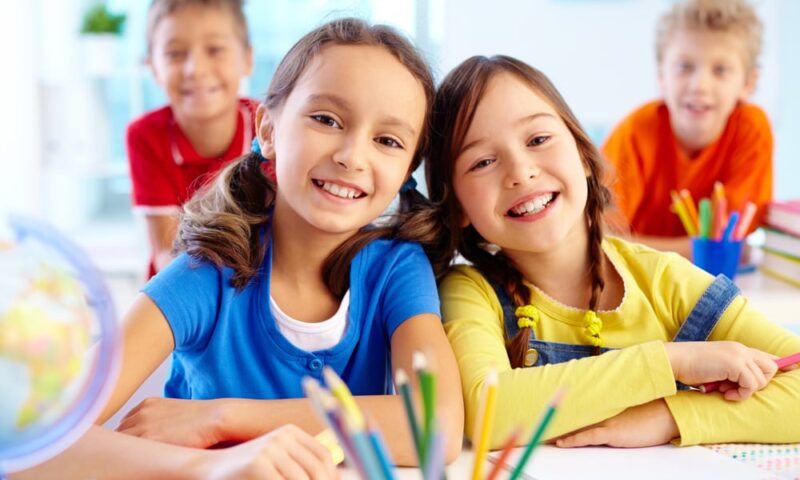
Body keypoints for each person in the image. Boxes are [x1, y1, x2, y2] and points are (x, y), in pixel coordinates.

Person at [104, 17, 462, 466]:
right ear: (268, 130)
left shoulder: (396, 269)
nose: (352, 156)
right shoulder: (206, 273)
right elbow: (46, 424)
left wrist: (222, 417)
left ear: (408, 171)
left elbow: (434, 428)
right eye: (326, 119)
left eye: (387, 140)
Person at [425, 55, 800, 450]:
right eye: (482, 161)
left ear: (586, 158)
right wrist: (671, 361)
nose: (520, 171)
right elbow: (491, 412)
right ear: (459, 207)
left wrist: (669, 417)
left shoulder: (665, 281)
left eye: (537, 140)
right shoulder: (468, 291)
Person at [601, 0, 772, 258]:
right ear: (661, 75)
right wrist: (700, 250)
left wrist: (642, 248)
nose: (699, 85)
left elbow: (732, 242)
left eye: (720, 70)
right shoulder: (634, 132)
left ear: (748, 82)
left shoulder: (752, 129)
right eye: (684, 67)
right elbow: (601, 237)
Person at [127, 0, 262, 278]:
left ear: (247, 59)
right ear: (152, 67)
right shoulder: (145, 136)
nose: (195, 69)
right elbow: (167, 253)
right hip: (179, 289)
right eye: (175, 53)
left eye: (214, 50)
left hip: (254, 284)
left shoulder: (270, 126)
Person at [11, 424, 337, 479]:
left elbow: (392, 414)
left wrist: (221, 418)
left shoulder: (388, 267)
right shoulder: (204, 277)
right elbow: (23, 439)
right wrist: (208, 466)